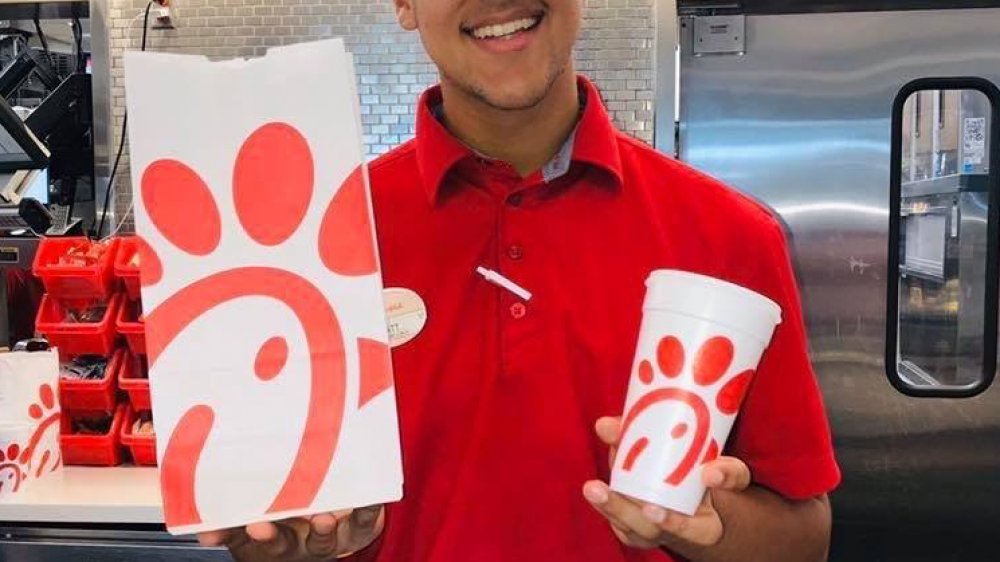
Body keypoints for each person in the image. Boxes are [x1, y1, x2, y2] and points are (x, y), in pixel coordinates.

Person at [197, 0, 841, 560]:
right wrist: (287, 546)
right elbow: (275, 532)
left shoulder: (730, 235)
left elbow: (805, 539)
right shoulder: (313, 246)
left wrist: (705, 526)